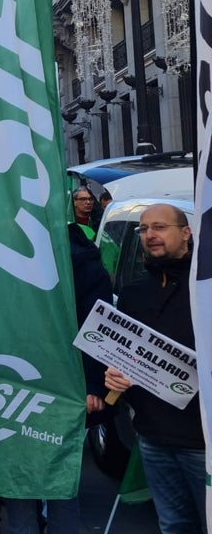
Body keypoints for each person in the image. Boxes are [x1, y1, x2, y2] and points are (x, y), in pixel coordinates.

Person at [4, 221, 114, 533]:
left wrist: (92, 384)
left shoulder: (82, 268)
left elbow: (97, 328)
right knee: (17, 474)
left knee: (58, 471)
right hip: (16, 380)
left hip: (65, 385)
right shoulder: (8, 259)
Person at [104, 204, 205, 533]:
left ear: (186, 233)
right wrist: (114, 375)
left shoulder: (204, 288)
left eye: (160, 227)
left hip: (204, 441)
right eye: (144, 229)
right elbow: (125, 356)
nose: (150, 235)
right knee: (174, 525)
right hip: (153, 437)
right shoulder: (134, 292)